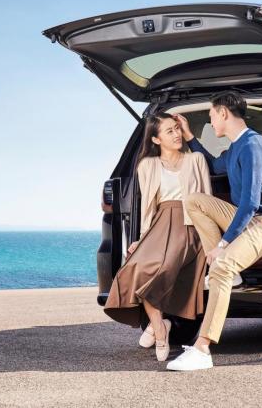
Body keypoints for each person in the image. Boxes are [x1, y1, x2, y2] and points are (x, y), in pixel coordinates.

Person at [166, 91, 262, 371]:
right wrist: (188, 135)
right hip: (248, 219)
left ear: (223, 113)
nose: (211, 123)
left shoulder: (253, 145)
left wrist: (223, 245)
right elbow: (211, 164)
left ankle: (202, 350)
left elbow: (250, 203)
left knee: (220, 266)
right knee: (194, 200)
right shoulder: (235, 147)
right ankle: (229, 274)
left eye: (211, 116)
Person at [103, 112, 212, 362]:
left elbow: (208, 198)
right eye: (169, 131)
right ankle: (160, 327)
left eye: (177, 129)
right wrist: (141, 239)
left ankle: (158, 328)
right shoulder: (147, 165)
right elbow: (147, 208)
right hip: (159, 224)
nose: (176, 134)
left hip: (189, 224)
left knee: (163, 268)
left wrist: (210, 240)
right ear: (155, 139)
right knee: (135, 268)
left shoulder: (196, 159)